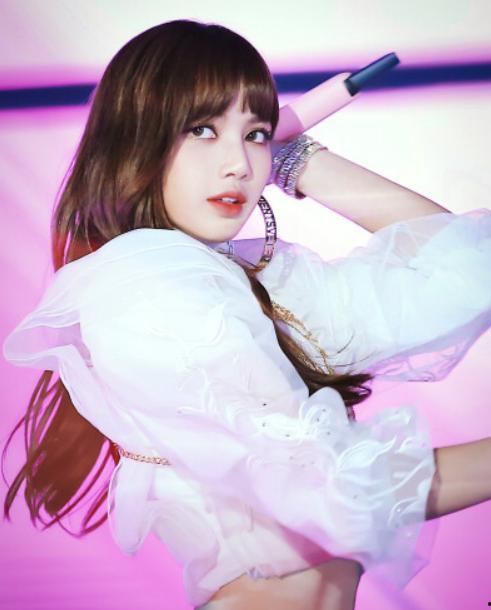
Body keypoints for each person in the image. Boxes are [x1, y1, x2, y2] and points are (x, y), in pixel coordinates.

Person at [3, 19, 491, 610]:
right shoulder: (147, 282)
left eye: (254, 132)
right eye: (202, 129)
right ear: (137, 137)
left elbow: (461, 270)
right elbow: (335, 490)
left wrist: (294, 158)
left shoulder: (242, 277)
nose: (237, 164)